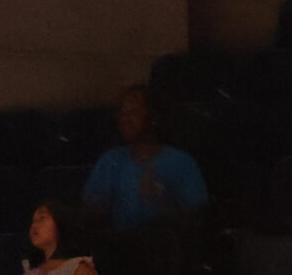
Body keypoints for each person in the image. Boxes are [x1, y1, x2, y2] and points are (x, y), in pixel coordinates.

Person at [79, 85, 207, 235]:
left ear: (153, 118)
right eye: (122, 112)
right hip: (121, 248)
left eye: (133, 112)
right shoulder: (110, 160)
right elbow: (88, 214)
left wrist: (162, 201)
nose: (124, 119)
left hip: (169, 250)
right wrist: (100, 209)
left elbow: (199, 222)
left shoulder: (182, 163)